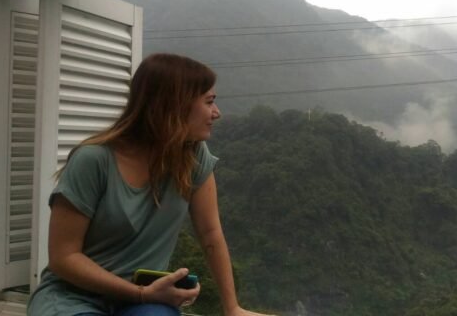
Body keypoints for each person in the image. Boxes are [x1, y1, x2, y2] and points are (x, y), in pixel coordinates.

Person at [27, 53, 273, 316]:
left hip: (142, 302)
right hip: (74, 297)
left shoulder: (193, 157)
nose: (217, 112)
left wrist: (232, 308)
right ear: (174, 105)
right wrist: (141, 293)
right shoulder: (94, 161)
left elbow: (210, 234)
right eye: (209, 102)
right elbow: (64, 258)